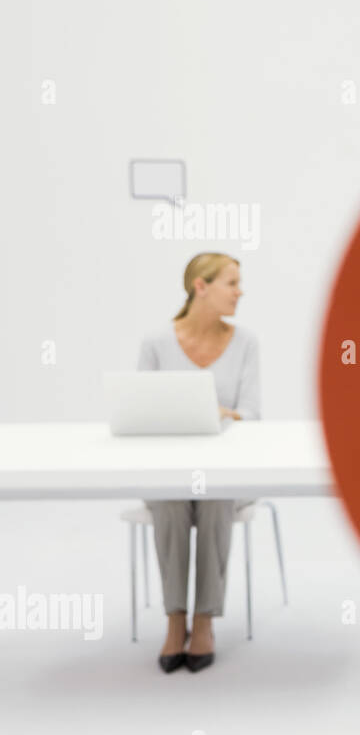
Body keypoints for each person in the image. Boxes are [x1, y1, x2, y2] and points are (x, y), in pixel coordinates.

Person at [138, 253, 260, 673]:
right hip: (168, 472)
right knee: (172, 499)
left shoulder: (245, 343)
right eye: (232, 282)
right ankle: (176, 620)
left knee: (213, 498)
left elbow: (252, 414)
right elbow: (140, 413)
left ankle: (204, 619)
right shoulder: (156, 345)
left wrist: (220, 412)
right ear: (200, 287)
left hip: (226, 475)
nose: (240, 291)